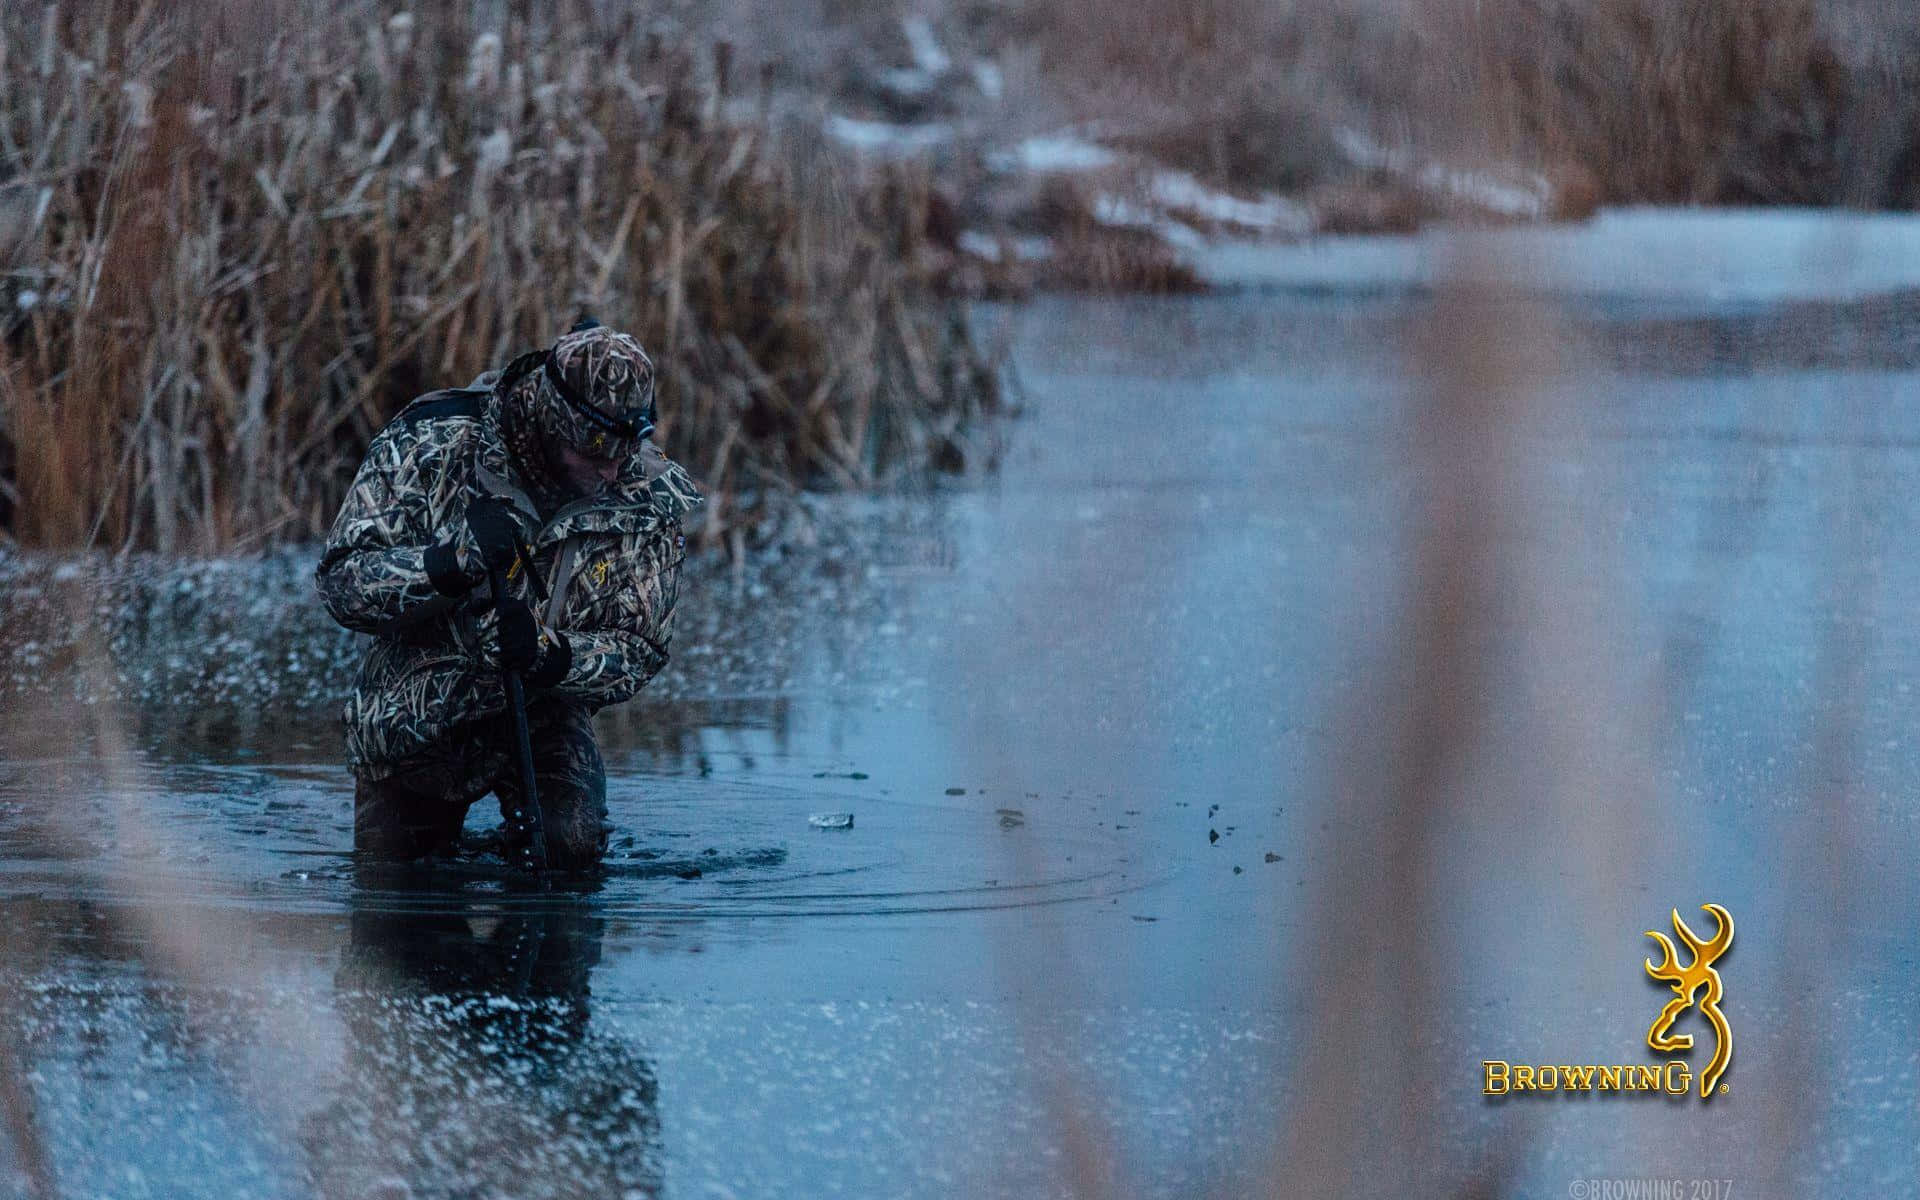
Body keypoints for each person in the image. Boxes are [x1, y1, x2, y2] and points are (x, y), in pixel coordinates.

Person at [316, 320, 700, 869]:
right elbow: (342, 583)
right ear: (550, 421)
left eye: (627, 444)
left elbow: (640, 649)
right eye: (594, 446)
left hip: (544, 713)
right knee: (396, 884)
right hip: (416, 709)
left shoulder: (647, 496)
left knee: (569, 850)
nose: (613, 468)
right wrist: (446, 564)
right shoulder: (433, 442)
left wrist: (550, 653)